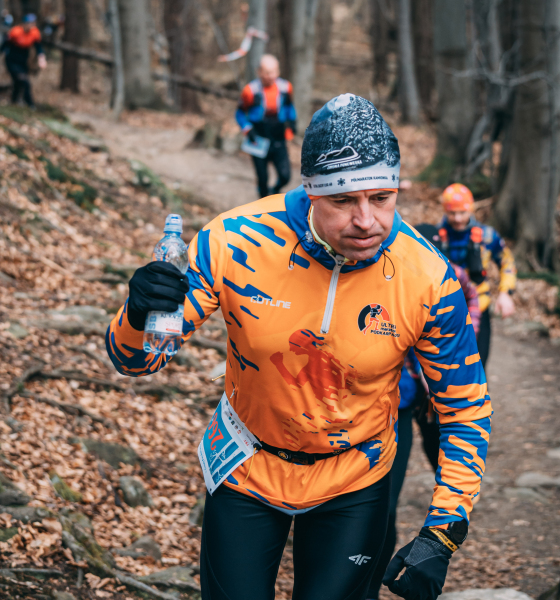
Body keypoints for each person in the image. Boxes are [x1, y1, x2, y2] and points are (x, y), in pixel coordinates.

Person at [107, 94, 492, 600]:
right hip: (246, 464)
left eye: (382, 198)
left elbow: (464, 407)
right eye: (344, 201)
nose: (367, 220)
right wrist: (138, 314)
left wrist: (443, 531)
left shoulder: (427, 277)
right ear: (311, 192)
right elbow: (135, 360)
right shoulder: (234, 240)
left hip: (356, 476)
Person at [366, 223, 482, 600]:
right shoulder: (390, 276)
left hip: (421, 400)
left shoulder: (448, 277)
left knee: (393, 496)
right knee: (379, 505)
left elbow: (472, 301)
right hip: (390, 403)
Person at [438, 183, 516, 368]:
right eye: (452, 213)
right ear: (445, 211)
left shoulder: (487, 236)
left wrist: (505, 293)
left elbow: (507, 262)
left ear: (470, 210)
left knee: (478, 363)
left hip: (480, 307)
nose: (457, 218)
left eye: (462, 212)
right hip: (445, 310)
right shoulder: (435, 237)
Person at [236, 54, 297, 198]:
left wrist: (292, 124)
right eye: (267, 72)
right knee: (262, 178)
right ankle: (263, 201)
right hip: (258, 138)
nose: (271, 76)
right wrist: (247, 128)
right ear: (259, 72)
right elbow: (239, 113)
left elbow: (289, 107)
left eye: (274, 72)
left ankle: (275, 190)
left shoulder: (286, 88)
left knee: (285, 176)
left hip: (278, 137)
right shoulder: (250, 91)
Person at [1, 13, 47, 108]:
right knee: (24, 81)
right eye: (30, 23)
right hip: (12, 59)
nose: (32, 25)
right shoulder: (15, 32)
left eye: (33, 23)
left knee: (18, 82)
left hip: (23, 60)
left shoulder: (34, 33)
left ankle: (14, 102)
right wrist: (1, 51)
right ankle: (30, 104)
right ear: (24, 23)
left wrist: (41, 58)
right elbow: (5, 44)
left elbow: (38, 47)